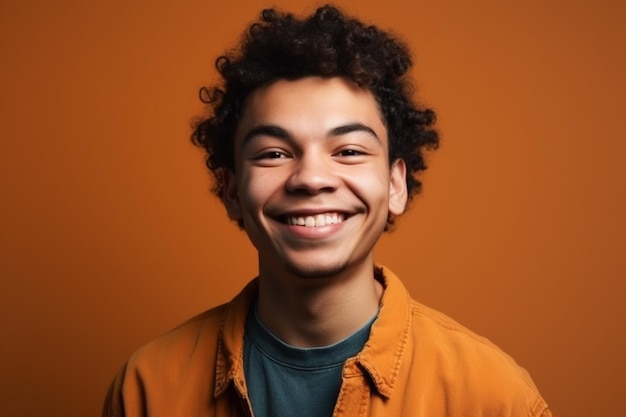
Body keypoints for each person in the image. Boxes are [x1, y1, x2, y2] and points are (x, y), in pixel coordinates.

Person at [102, 4, 552, 417]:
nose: (311, 178)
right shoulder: (148, 389)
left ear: (396, 183)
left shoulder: (492, 396)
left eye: (350, 150)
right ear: (232, 190)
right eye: (274, 153)